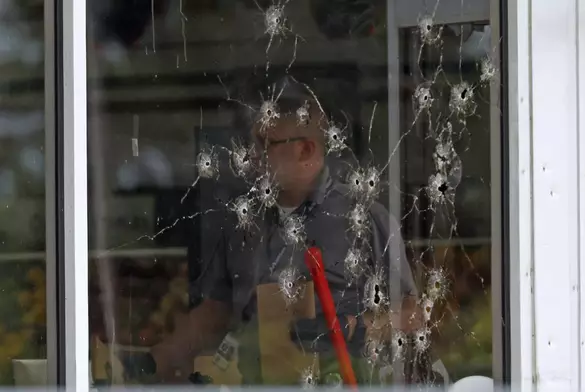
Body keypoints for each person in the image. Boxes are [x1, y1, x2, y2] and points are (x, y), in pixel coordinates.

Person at [121, 76, 420, 385]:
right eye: (252, 143)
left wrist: (351, 327)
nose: (252, 156)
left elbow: (411, 314)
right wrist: (151, 363)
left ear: (305, 150)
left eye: (265, 144)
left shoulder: (365, 219)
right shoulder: (242, 224)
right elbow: (214, 314)